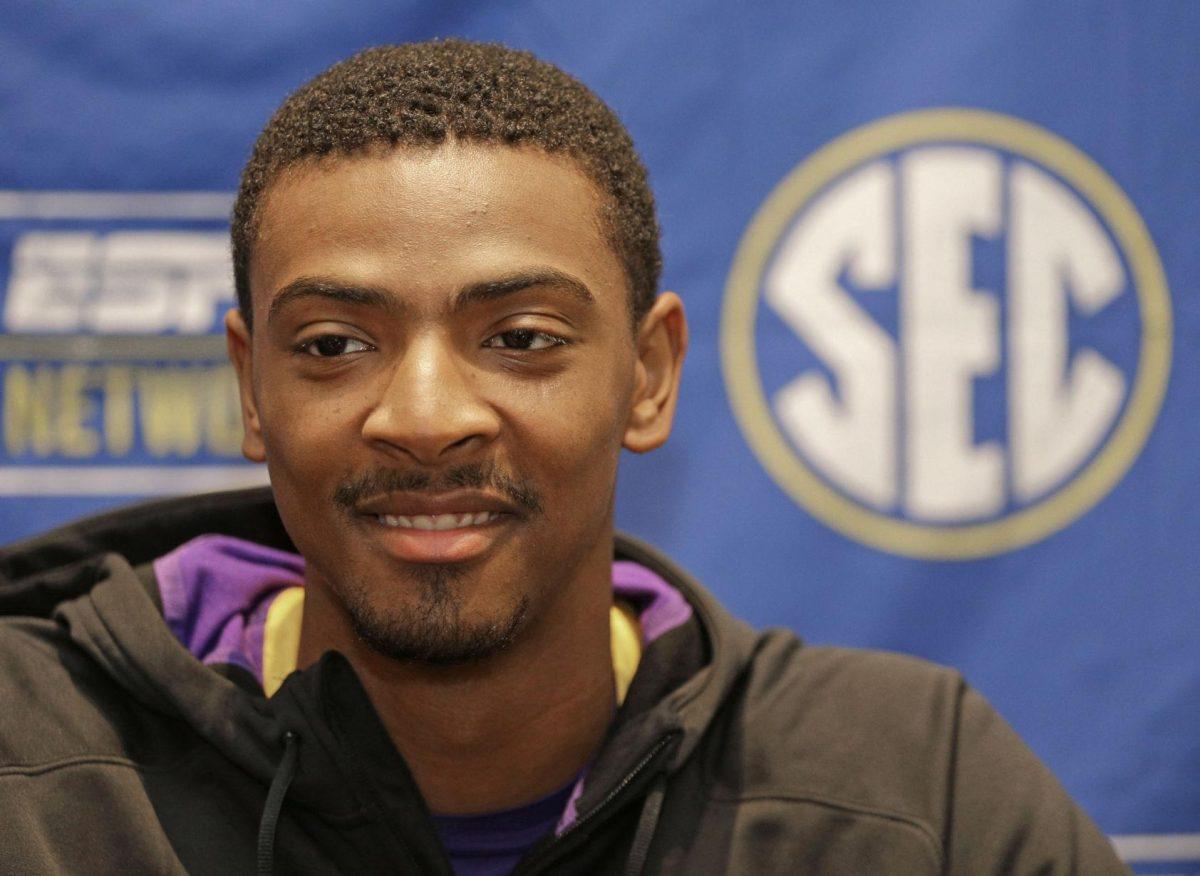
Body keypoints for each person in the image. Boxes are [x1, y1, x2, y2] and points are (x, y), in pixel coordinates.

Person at [0, 40, 1127, 875]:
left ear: (649, 374)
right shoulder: (30, 773)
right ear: (253, 389)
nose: (428, 415)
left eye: (522, 340)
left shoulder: (914, 791)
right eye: (336, 345)